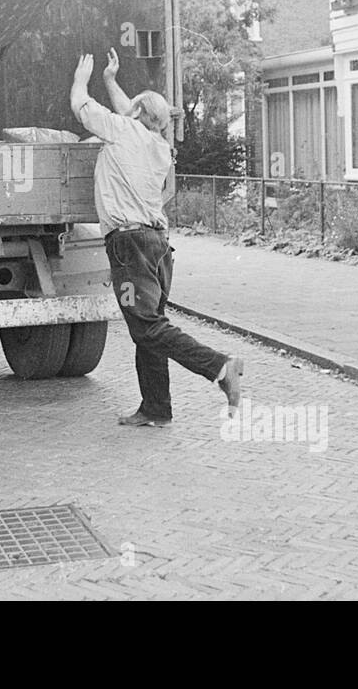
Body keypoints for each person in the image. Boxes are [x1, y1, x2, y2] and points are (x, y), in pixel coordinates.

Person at [70, 47, 245, 426]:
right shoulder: (160, 146)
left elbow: (82, 107)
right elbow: (132, 113)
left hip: (129, 246)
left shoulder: (122, 131)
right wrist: (112, 82)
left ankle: (220, 367)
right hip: (158, 247)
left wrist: (82, 81)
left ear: (134, 114)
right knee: (150, 328)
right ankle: (156, 408)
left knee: (147, 326)